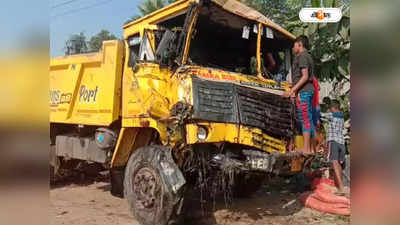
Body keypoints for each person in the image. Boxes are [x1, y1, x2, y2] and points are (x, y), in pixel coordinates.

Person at [282, 35, 315, 155]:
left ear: (300, 44)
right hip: (308, 90)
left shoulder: (302, 56)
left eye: (294, 45)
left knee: (305, 118)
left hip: (304, 91)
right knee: (308, 119)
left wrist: (292, 91)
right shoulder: (308, 56)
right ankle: (310, 148)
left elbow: (305, 76)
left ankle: (306, 149)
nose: (292, 48)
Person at [321, 100, 346, 194]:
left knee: (334, 163)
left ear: (333, 108)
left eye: (330, 109)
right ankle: (338, 186)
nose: (329, 111)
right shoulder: (342, 117)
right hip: (342, 143)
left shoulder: (332, 115)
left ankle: (341, 188)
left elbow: (321, 115)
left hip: (334, 141)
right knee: (338, 165)